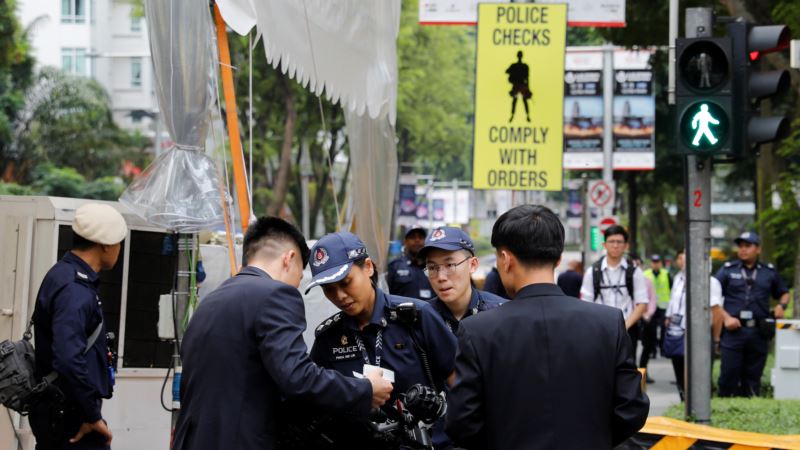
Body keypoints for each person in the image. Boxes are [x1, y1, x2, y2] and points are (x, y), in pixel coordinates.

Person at [172, 217, 393, 450]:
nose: (297, 284)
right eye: (300, 275)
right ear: (289, 258)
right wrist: (365, 390)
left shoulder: (209, 303)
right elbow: (297, 377)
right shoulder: (275, 294)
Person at [446, 205, 649, 449]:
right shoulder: (608, 323)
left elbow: (462, 422)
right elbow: (632, 409)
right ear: (558, 258)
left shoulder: (477, 331)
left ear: (506, 259)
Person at [308, 232, 457, 449]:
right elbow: (316, 397)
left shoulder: (417, 317)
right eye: (328, 289)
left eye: (346, 282)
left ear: (368, 267)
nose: (339, 296)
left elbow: (461, 383)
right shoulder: (328, 339)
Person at [29, 203, 127, 450]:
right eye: (119, 243)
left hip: (63, 412)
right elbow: (68, 357)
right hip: (73, 420)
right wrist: (92, 415)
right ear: (106, 245)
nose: (119, 249)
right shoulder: (75, 289)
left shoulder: (62, 274)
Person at [715, 231, 789, 397]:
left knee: (753, 378)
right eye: (740, 246)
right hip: (734, 331)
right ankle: (725, 405)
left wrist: (781, 306)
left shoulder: (768, 272)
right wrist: (726, 318)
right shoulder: (727, 270)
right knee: (728, 375)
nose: (743, 249)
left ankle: (750, 403)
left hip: (758, 332)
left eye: (748, 246)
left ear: (758, 249)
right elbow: (711, 296)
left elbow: (784, 293)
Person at [419, 227, 506, 334]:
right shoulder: (422, 318)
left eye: (450, 265)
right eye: (432, 268)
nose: (441, 277)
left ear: (472, 265)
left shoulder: (501, 313)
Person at [666, 249, 724, 400]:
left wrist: (716, 339)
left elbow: (717, 312)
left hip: (700, 336)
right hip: (677, 333)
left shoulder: (710, 282)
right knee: (680, 375)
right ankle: (683, 404)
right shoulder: (678, 278)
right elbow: (673, 303)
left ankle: (700, 409)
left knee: (699, 379)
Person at [580, 225, 649, 348]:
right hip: (599, 331)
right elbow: (586, 303)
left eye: (619, 242)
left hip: (628, 330)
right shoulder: (592, 272)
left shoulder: (634, 272)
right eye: (611, 241)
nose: (615, 245)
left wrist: (625, 327)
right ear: (604, 245)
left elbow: (642, 303)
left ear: (626, 246)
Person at [641, 254, 672, 376]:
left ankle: (662, 348)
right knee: (651, 332)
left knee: (664, 329)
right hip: (650, 309)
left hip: (663, 307)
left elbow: (671, 289)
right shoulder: (646, 274)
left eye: (657, 262)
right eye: (653, 262)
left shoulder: (666, 274)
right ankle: (653, 350)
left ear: (660, 263)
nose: (655, 264)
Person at [386, 226, 433, 300]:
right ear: (405, 241)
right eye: (412, 237)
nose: (417, 240)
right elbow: (386, 295)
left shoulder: (433, 267)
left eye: (420, 237)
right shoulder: (395, 266)